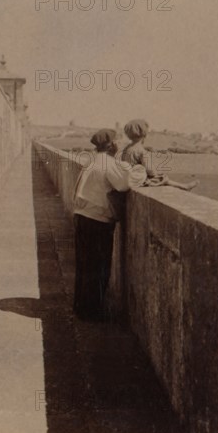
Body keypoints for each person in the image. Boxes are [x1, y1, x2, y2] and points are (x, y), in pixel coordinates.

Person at [73, 128, 146, 321]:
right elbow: (124, 184)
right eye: (118, 141)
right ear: (112, 145)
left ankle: (81, 307)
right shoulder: (108, 163)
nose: (120, 144)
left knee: (84, 265)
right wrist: (140, 170)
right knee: (99, 267)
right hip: (97, 220)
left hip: (82, 216)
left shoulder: (94, 160)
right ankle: (92, 312)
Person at [121, 119, 199, 191]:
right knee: (162, 177)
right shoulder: (141, 151)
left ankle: (184, 186)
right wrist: (155, 173)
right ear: (144, 134)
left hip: (128, 179)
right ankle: (184, 187)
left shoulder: (126, 149)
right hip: (138, 181)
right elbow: (150, 170)